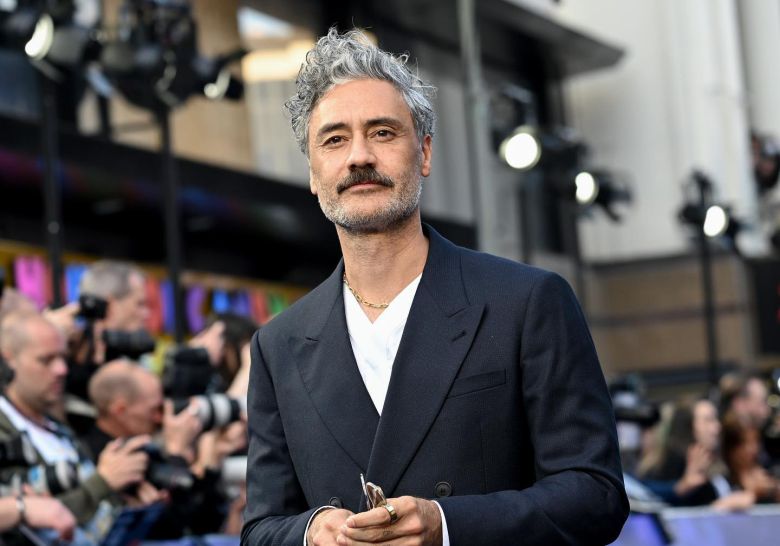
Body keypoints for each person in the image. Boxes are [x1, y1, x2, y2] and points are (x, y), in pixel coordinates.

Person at [241, 28, 628, 546]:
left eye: (382, 132)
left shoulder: (527, 302)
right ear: (313, 173)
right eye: (334, 139)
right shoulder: (279, 345)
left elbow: (596, 494)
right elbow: (261, 528)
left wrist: (448, 524)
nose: (359, 156)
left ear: (424, 153)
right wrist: (309, 532)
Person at [0, 311, 153, 524]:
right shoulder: (6, 431)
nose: (61, 369)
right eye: (46, 360)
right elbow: (33, 522)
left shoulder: (56, 425)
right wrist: (103, 482)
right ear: (9, 359)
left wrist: (130, 506)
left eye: (63, 357)